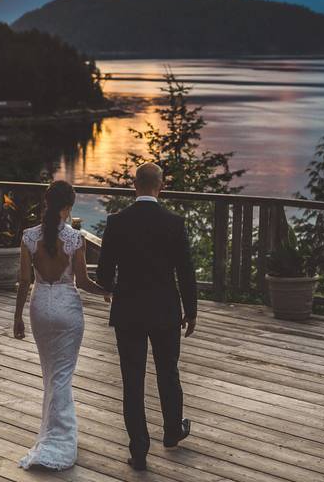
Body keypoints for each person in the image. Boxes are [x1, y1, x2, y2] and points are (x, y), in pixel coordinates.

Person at [97, 162, 197, 471]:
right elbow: (186, 272)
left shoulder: (117, 222)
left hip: (128, 311)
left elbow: (103, 273)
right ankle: (171, 431)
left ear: (134, 186)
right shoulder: (174, 223)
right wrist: (190, 311)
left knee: (132, 380)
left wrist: (112, 287)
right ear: (161, 187)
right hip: (166, 311)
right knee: (168, 372)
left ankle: (139, 450)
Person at [13, 180, 110, 471]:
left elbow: (24, 282)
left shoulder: (29, 237)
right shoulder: (75, 239)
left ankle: (51, 433)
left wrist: (17, 316)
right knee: (62, 375)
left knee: (50, 374)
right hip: (68, 311)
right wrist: (109, 290)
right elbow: (83, 282)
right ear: (67, 207)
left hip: (40, 307)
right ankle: (60, 440)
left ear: (46, 202)